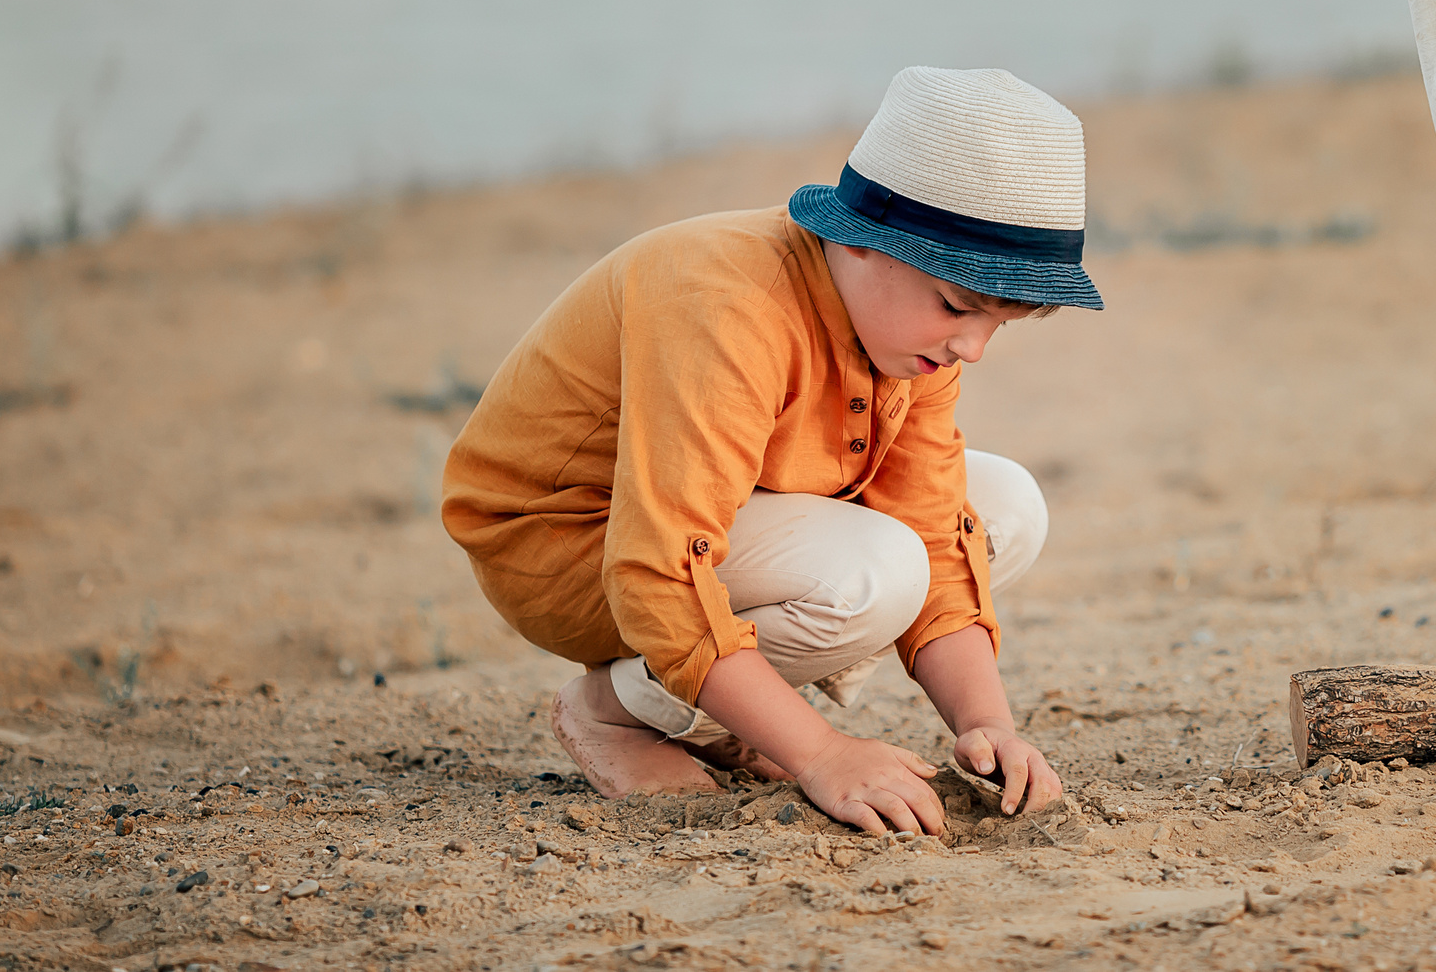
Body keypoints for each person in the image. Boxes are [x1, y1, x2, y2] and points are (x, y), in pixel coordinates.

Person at [441, 67, 1097, 833]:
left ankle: (720, 706)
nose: (973, 347)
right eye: (957, 305)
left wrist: (988, 725)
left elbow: (930, 522)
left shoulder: (911, 341)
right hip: (567, 537)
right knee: (875, 570)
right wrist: (823, 753)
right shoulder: (728, 305)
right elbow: (656, 565)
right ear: (860, 243)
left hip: (720, 507)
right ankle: (615, 709)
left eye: (1000, 322)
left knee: (1006, 507)